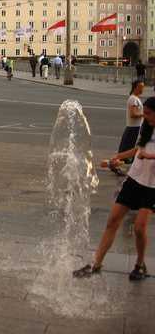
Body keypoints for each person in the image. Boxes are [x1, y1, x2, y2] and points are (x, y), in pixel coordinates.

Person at [74, 96, 155, 282]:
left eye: (149, 114)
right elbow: (137, 150)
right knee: (112, 221)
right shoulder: (147, 128)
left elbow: (144, 154)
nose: (146, 117)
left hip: (151, 187)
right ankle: (96, 264)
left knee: (140, 228)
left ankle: (140, 264)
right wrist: (116, 157)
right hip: (134, 180)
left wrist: (149, 157)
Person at [110, 81, 145, 175]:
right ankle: (113, 164)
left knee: (128, 149)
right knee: (127, 150)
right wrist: (145, 114)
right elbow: (133, 114)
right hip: (133, 128)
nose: (143, 89)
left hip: (135, 127)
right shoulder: (133, 99)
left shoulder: (135, 98)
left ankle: (126, 167)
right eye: (141, 87)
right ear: (135, 87)